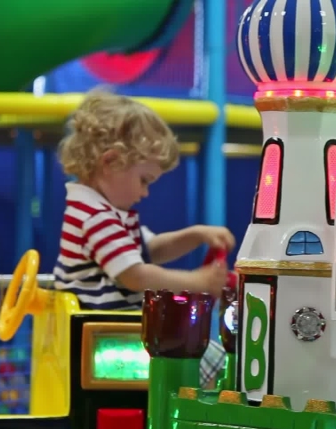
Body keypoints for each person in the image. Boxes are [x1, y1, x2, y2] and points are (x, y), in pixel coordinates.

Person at [54, 90, 234, 388]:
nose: (145, 193)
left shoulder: (105, 211)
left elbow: (150, 249)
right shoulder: (95, 216)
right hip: (108, 341)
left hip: (118, 335)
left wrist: (196, 235)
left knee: (207, 358)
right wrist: (197, 282)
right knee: (209, 363)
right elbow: (135, 276)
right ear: (110, 162)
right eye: (144, 180)